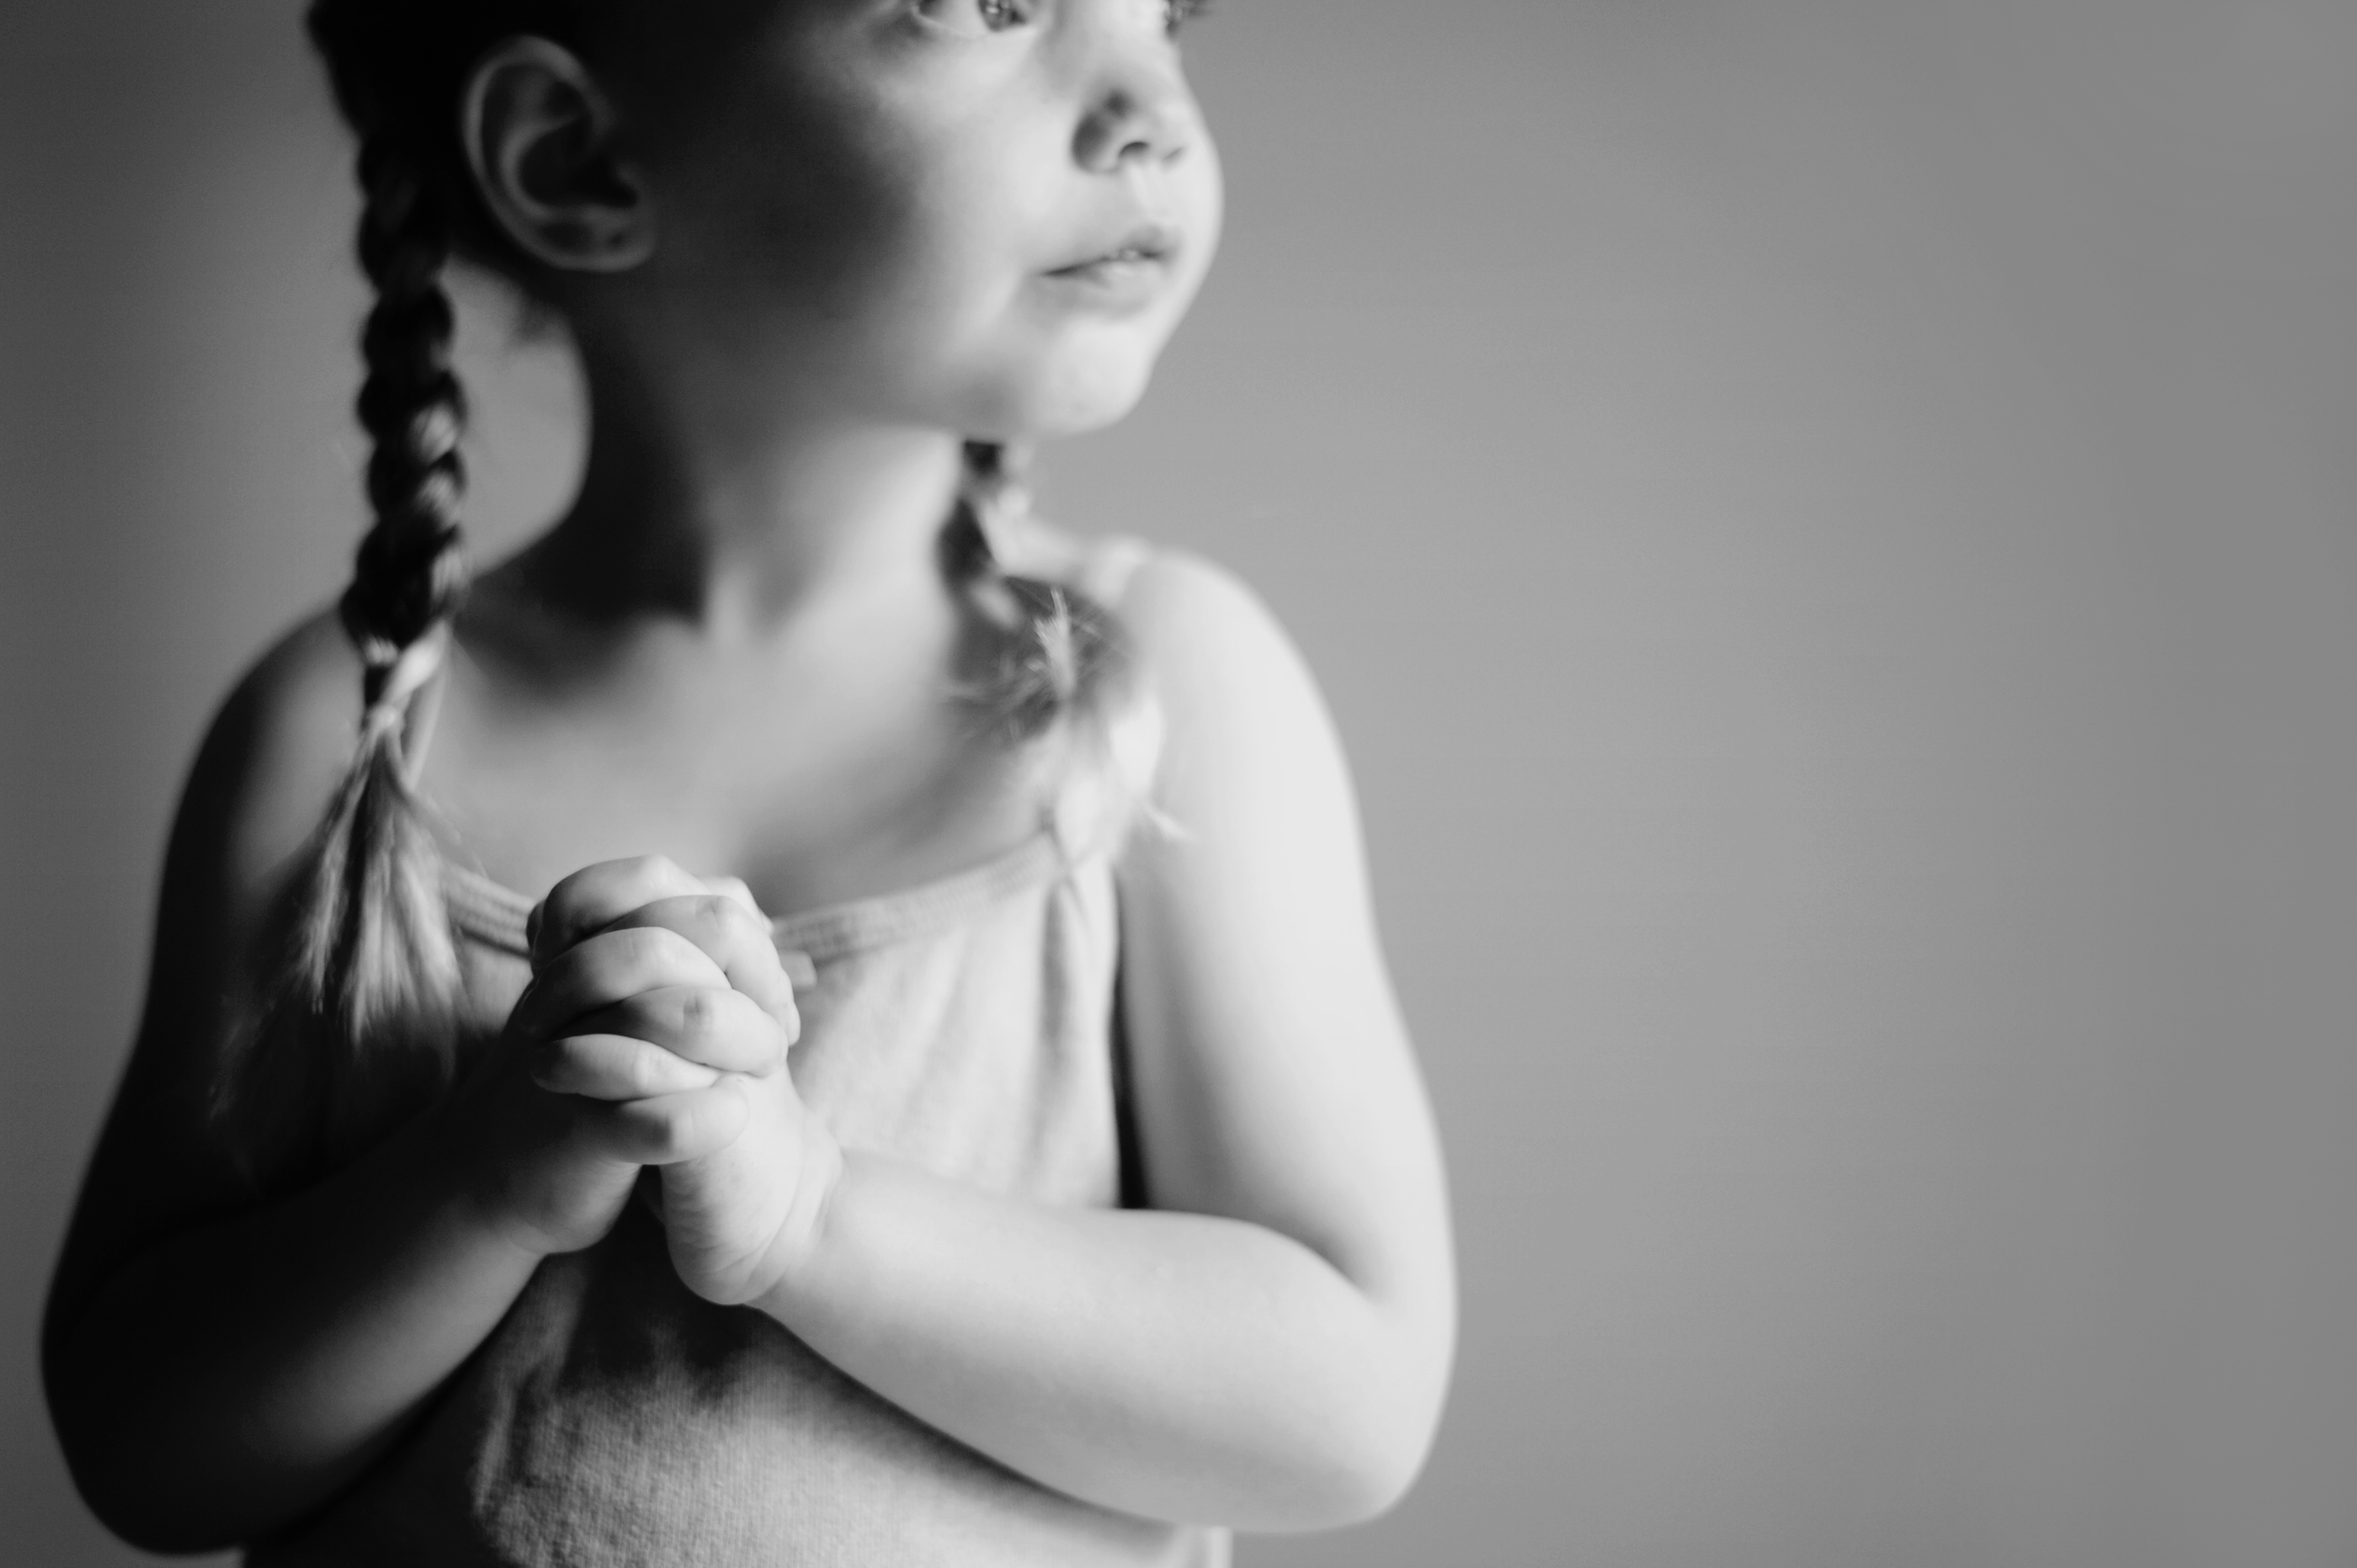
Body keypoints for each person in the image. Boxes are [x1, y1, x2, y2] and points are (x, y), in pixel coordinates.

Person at [41, 2, 1455, 1562]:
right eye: (988, 3)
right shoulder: (345, 737)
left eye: (1168, 13)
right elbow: (143, 1444)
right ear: (577, 158)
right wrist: (484, 1181)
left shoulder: (1159, 691)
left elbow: (1347, 1401)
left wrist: (810, 1219)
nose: (1149, 108)